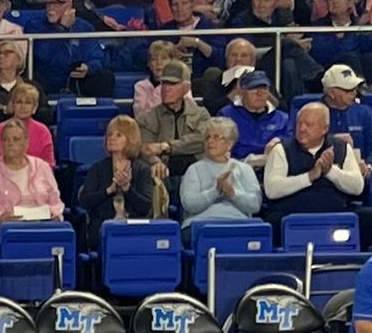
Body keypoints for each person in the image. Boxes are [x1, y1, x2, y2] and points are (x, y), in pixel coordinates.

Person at [262, 102, 367, 223]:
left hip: (335, 212)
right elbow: (272, 190)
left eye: (309, 125)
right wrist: (309, 176)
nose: (302, 129)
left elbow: (357, 187)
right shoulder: (281, 149)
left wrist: (329, 171)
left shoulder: (341, 147)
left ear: (325, 128)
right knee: (273, 220)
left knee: (367, 216)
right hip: (292, 213)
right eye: (299, 123)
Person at [76, 116, 166, 247]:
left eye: (118, 135)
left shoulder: (142, 170)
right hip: (104, 225)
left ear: (130, 140)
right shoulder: (98, 168)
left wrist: (127, 189)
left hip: (135, 226)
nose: (112, 138)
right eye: (110, 134)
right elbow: (85, 201)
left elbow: (145, 206)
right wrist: (109, 190)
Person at [179, 117, 262, 229]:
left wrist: (232, 193)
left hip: (238, 224)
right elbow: (189, 205)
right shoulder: (194, 169)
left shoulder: (244, 169)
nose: (210, 141)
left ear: (229, 144)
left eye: (216, 137)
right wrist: (216, 191)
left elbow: (255, 205)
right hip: (202, 224)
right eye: (207, 137)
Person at [0, 117, 62, 223]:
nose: (10, 143)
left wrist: (54, 212)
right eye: (5, 139)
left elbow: (56, 202)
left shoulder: (42, 166)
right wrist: (0, 217)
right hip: (9, 226)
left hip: (43, 223)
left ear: (26, 143)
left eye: (16, 139)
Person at [137, 60, 212, 178]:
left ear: (186, 88)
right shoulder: (147, 117)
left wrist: (166, 146)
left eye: (172, 84)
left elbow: (203, 140)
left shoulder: (201, 114)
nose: (166, 89)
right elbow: (146, 149)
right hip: (164, 172)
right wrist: (155, 162)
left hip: (197, 172)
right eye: (164, 83)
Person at [221, 69, 290, 166]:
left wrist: (280, 141)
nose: (259, 93)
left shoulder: (282, 118)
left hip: (274, 167)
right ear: (242, 91)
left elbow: (291, 145)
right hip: (237, 167)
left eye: (264, 88)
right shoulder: (227, 115)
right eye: (253, 88)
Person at [320, 64, 372, 166]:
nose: (354, 93)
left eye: (355, 88)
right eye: (348, 90)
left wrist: (369, 165)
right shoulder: (313, 113)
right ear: (331, 93)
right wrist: (332, 140)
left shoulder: (363, 112)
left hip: (359, 171)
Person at [0, 82, 54, 167]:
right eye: (19, 102)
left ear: (34, 107)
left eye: (28, 103)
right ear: (12, 105)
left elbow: (49, 165)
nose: (23, 106)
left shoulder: (43, 132)